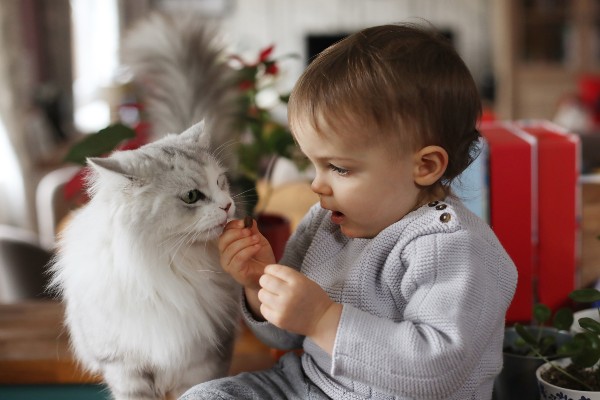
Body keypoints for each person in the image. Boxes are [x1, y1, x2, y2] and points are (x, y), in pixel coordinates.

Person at [181, 23, 517, 400]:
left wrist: (323, 319)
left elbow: (439, 369)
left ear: (424, 166)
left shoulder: (453, 247)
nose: (317, 185)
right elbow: (285, 334)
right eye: (314, 164)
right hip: (309, 386)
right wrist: (258, 282)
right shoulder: (325, 223)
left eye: (339, 168)